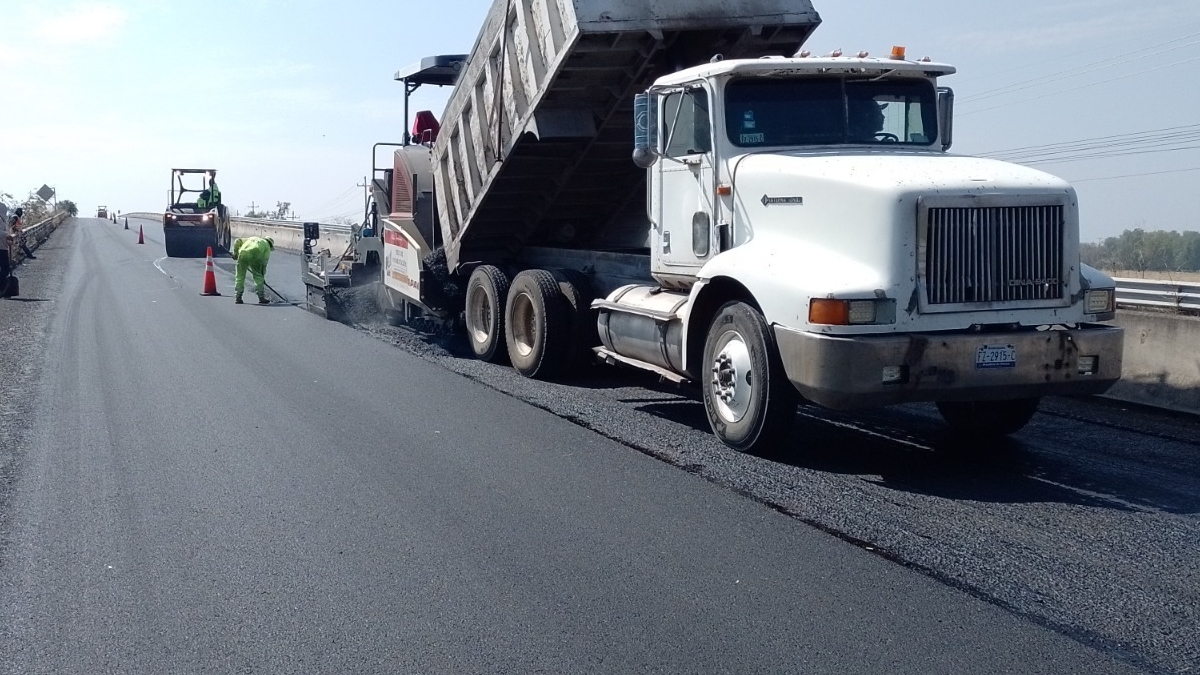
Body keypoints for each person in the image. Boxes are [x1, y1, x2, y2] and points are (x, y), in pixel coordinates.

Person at [231, 236, 273, 304]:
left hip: (243, 253)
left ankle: (238, 297)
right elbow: (264, 262)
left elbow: (237, 241)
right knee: (258, 276)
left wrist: (235, 254)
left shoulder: (252, 238)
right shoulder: (267, 246)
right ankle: (261, 297)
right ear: (270, 244)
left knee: (240, 276)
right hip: (256, 255)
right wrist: (262, 275)